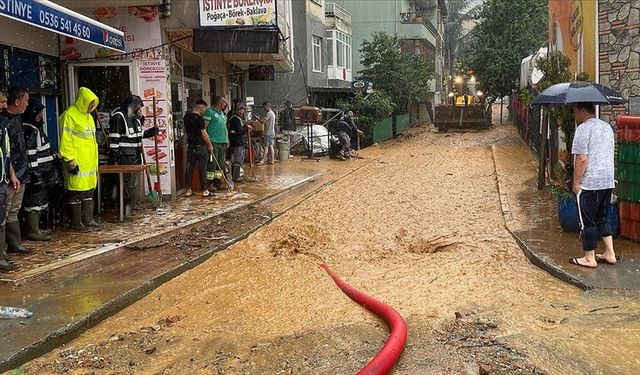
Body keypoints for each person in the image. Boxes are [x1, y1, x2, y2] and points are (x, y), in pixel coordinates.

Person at [569, 102, 617, 268]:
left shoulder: (583, 129)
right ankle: (610, 253)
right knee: (602, 217)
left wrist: (576, 183)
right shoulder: (606, 127)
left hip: (590, 184)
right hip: (607, 180)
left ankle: (589, 258)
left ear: (582, 110)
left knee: (586, 220)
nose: (573, 115)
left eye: (574, 111)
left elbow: (582, 159)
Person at [107, 95, 159, 212]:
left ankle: (131, 205)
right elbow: (114, 139)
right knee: (126, 184)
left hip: (135, 155)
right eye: (138, 107)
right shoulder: (118, 117)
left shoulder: (134, 118)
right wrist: (114, 157)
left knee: (133, 184)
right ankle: (124, 207)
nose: (139, 109)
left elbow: (138, 135)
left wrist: (151, 131)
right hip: (124, 157)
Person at [59, 87, 100, 231]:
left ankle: (88, 219)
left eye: (93, 104)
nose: (91, 107)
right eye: (90, 103)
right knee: (75, 193)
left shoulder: (88, 117)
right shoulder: (69, 115)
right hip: (77, 162)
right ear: (83, 101)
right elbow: (65, 140)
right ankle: (76, 222)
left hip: (89, 162)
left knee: (88, 191)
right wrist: (70, 160)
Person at [21, 99, 61, 241]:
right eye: (39, 113)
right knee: (34, 203)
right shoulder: (30, 130)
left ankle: (36, 227)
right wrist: (36, 176)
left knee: (40, 201)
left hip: (44, 174)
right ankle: (32, 230)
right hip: (38, 174)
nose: (41, 116)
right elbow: (31, 155)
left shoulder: (35, 128)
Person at [1, 87, 34, 255]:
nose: (27, 105)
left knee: (14, 209)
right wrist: (11, 172)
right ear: (17, 102)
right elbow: (6, 151)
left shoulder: (18, 119)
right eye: (26, 101)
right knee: (4, 211)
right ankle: (3, 249)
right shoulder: (3, 121)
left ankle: (15, 243)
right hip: (8, 173)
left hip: (21, 171)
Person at [0, 89, 21, 272]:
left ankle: (2, 255)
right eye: (1, 102)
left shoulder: (2, 125)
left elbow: (6, 154)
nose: (4, 106)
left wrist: (12, 174)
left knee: (2, 217)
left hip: (2, 178)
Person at [184, 99, 212, 197]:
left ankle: (188, 189)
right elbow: (204, 134)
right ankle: (204, 190)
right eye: (204, 108)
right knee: (202, 169)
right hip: (200, 146)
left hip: (190, 146)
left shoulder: (186, 117)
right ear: (200, 107)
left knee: (189, 168)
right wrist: (209, 145)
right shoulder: (200, 119)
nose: (204, 110)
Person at [203, 96, 228, 189]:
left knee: (220, 164)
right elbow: (204, 128)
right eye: (224, 102)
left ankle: (218, 183)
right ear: (219, 102)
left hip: (222, 141)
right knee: (212, 163)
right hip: (213, 141)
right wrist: (208, 142)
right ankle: (209, 184)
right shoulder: (209, 112)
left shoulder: (221, 113)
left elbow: (224, 127)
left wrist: (227, 139)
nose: (225, 104)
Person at [227, 102, 252, 183]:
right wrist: (246, 127)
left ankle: (235, 176)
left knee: (237, 160)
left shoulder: (234, 118)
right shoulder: (235, 119)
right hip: (237, 142)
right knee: (237, 160)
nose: (243, 112)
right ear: (239, 110)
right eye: (242, 110)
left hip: (236, 142)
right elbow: (240, 130)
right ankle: (236, 177)